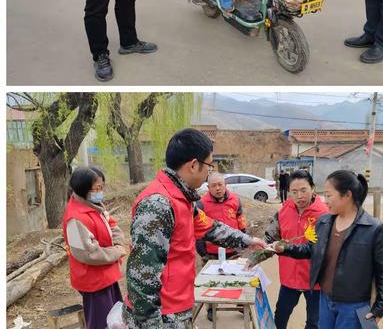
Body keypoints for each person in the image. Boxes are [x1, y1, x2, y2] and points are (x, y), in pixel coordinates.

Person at [124, 128, 267, 328]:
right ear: (193, 165)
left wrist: (248, 241)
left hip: (176, 307)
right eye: (209, 165)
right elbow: (142, 278)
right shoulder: (158, 203)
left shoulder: (182, 199)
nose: (210, 171)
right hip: (161, 315)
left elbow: (211, 228)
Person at [274, 170, 383, 329]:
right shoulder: (324, 222)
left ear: (347, 195)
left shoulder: (373, 228)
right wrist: (285, 248)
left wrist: (381, 307)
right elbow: (311, 249)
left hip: (353, 305)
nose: (325, 200)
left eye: (329, 195)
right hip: (325, 299)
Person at [62, 166, 126, 329]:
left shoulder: (94, 205)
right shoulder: (75, 219)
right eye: (97, 188)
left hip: (106, 275)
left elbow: (112, 225)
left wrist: (118, 242)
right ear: (84, 189)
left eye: (102, 187)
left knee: (115, 318)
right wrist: (116, 252)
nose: (101, 191)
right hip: (93, 280)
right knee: (101, 322)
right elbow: (88, 254)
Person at [264, 170, 329, 329]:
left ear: (312, 188)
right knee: (280, 316)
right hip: (289, 276)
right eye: (294, 192)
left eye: (303, 190)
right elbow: (269, 238)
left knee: (314, 321)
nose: (299, 196)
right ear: (289, 192)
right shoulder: (283, 211)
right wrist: (255, 255)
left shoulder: (325, 214)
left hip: (315, 280)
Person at [195, 171, 248, 321]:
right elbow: (198, 227)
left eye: (220, 184)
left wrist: (243, 237)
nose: (217, 188)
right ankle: (211, 308)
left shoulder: (235, 200)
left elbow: (241, 219)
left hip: (234, 250)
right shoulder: (201, 204)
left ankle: (239, 304)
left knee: (237, 278)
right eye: (214, 185)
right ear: (208, 187)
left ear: (225, 185)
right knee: (212, 282)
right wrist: (200, 246)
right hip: (211, 251)